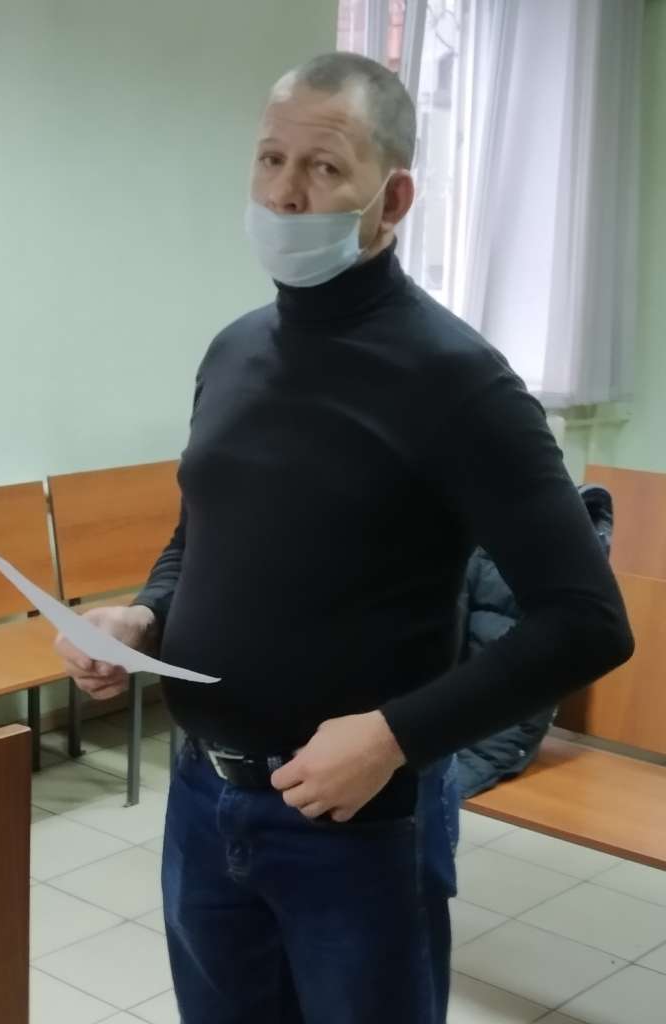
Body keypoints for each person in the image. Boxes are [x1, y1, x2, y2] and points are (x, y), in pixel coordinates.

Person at [55, 52, 633, 1024]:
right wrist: (143, 614)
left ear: (392, 197)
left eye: (323, 167)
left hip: (360, 826)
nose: (285, 194)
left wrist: (395, 737)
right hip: (204, 800)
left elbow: (587, 623)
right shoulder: (233, 351)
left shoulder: (459, 382)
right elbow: (202, 533)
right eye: (270, 159)